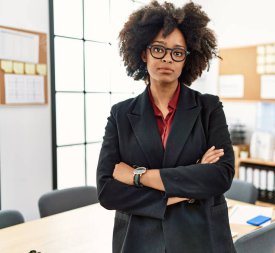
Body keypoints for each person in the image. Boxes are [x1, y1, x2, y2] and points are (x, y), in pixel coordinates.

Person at [96, 1, 235, 252]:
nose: (167, 59)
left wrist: (138, 176)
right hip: (139, 240)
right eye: (159, 49)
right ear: (143, 53)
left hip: (201, 238)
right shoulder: (121, 114)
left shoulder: (208, 108)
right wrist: (190, 184)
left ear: (186, 59)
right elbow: (107, 191)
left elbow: (221, 176)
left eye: (177, 52)